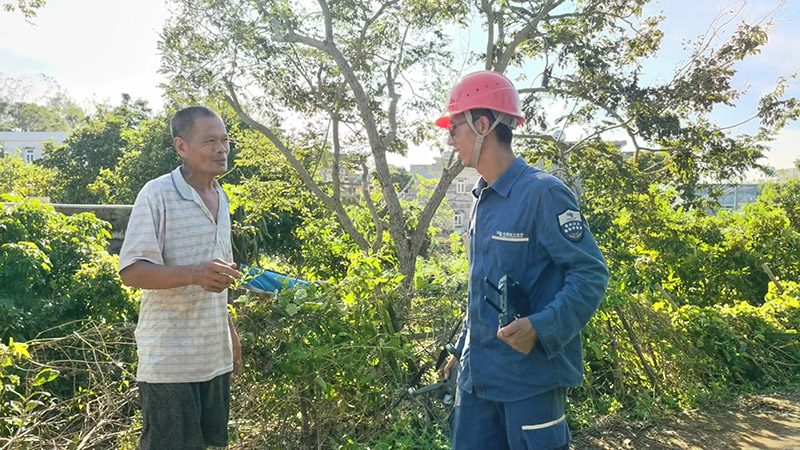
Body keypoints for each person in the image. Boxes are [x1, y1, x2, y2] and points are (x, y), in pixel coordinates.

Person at [437, 71, 609, 450]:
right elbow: (484, 287)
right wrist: (463, 348)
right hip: (477, 380)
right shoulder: (481, 199)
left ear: (483, 125)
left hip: (529, 382)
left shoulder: (543, 194)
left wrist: (542, 326)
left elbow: (590, 273)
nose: (450, 140)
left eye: (454, 127)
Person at [118, 106, 242, 449]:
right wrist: (194, 274)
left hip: (213, 357)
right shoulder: (157, 194)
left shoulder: (222, 197)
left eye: (225, 140)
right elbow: (131, 271)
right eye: (210, 141)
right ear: (181, 147)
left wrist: (229, 332)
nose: (221, 149)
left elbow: (220, 277)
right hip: (170, 362)